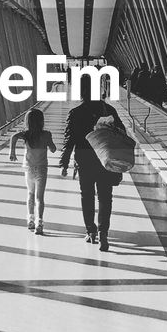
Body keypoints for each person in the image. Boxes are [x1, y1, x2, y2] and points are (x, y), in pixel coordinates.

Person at [60, 75, 127, 251]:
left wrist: (65, 161)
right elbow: (122, 132)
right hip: (105, 159)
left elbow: (70, 139)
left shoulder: (76, 113)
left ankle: (91, 232)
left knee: (87, 195)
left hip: (85, 160)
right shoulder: (109, 110)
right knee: (105, 196)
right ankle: (104, 233)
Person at [9, 106, 56, 234]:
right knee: (39, 198)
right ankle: (39, 223)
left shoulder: (26, 134)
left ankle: (30, 220)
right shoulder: (46, 134)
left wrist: (12, 152)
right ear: (41, 121)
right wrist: (49, 145)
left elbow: (13, 136)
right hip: (41, 169)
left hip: (28, 168)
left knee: (30, 193)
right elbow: (53, 149)